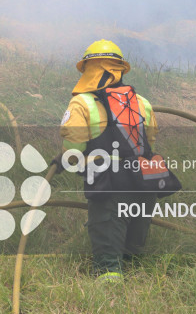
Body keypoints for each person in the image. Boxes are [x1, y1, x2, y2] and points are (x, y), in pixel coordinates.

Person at [59, 39, 158, 283]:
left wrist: (72, 162)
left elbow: (74, 147)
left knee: (107, 230)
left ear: (87, 68)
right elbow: (150, 142)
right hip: (146, 178)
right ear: (120, 69)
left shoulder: (81, 103)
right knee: (136, 233)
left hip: (110, 182)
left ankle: (110, 284)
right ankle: (137, 276)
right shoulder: (142, 103)